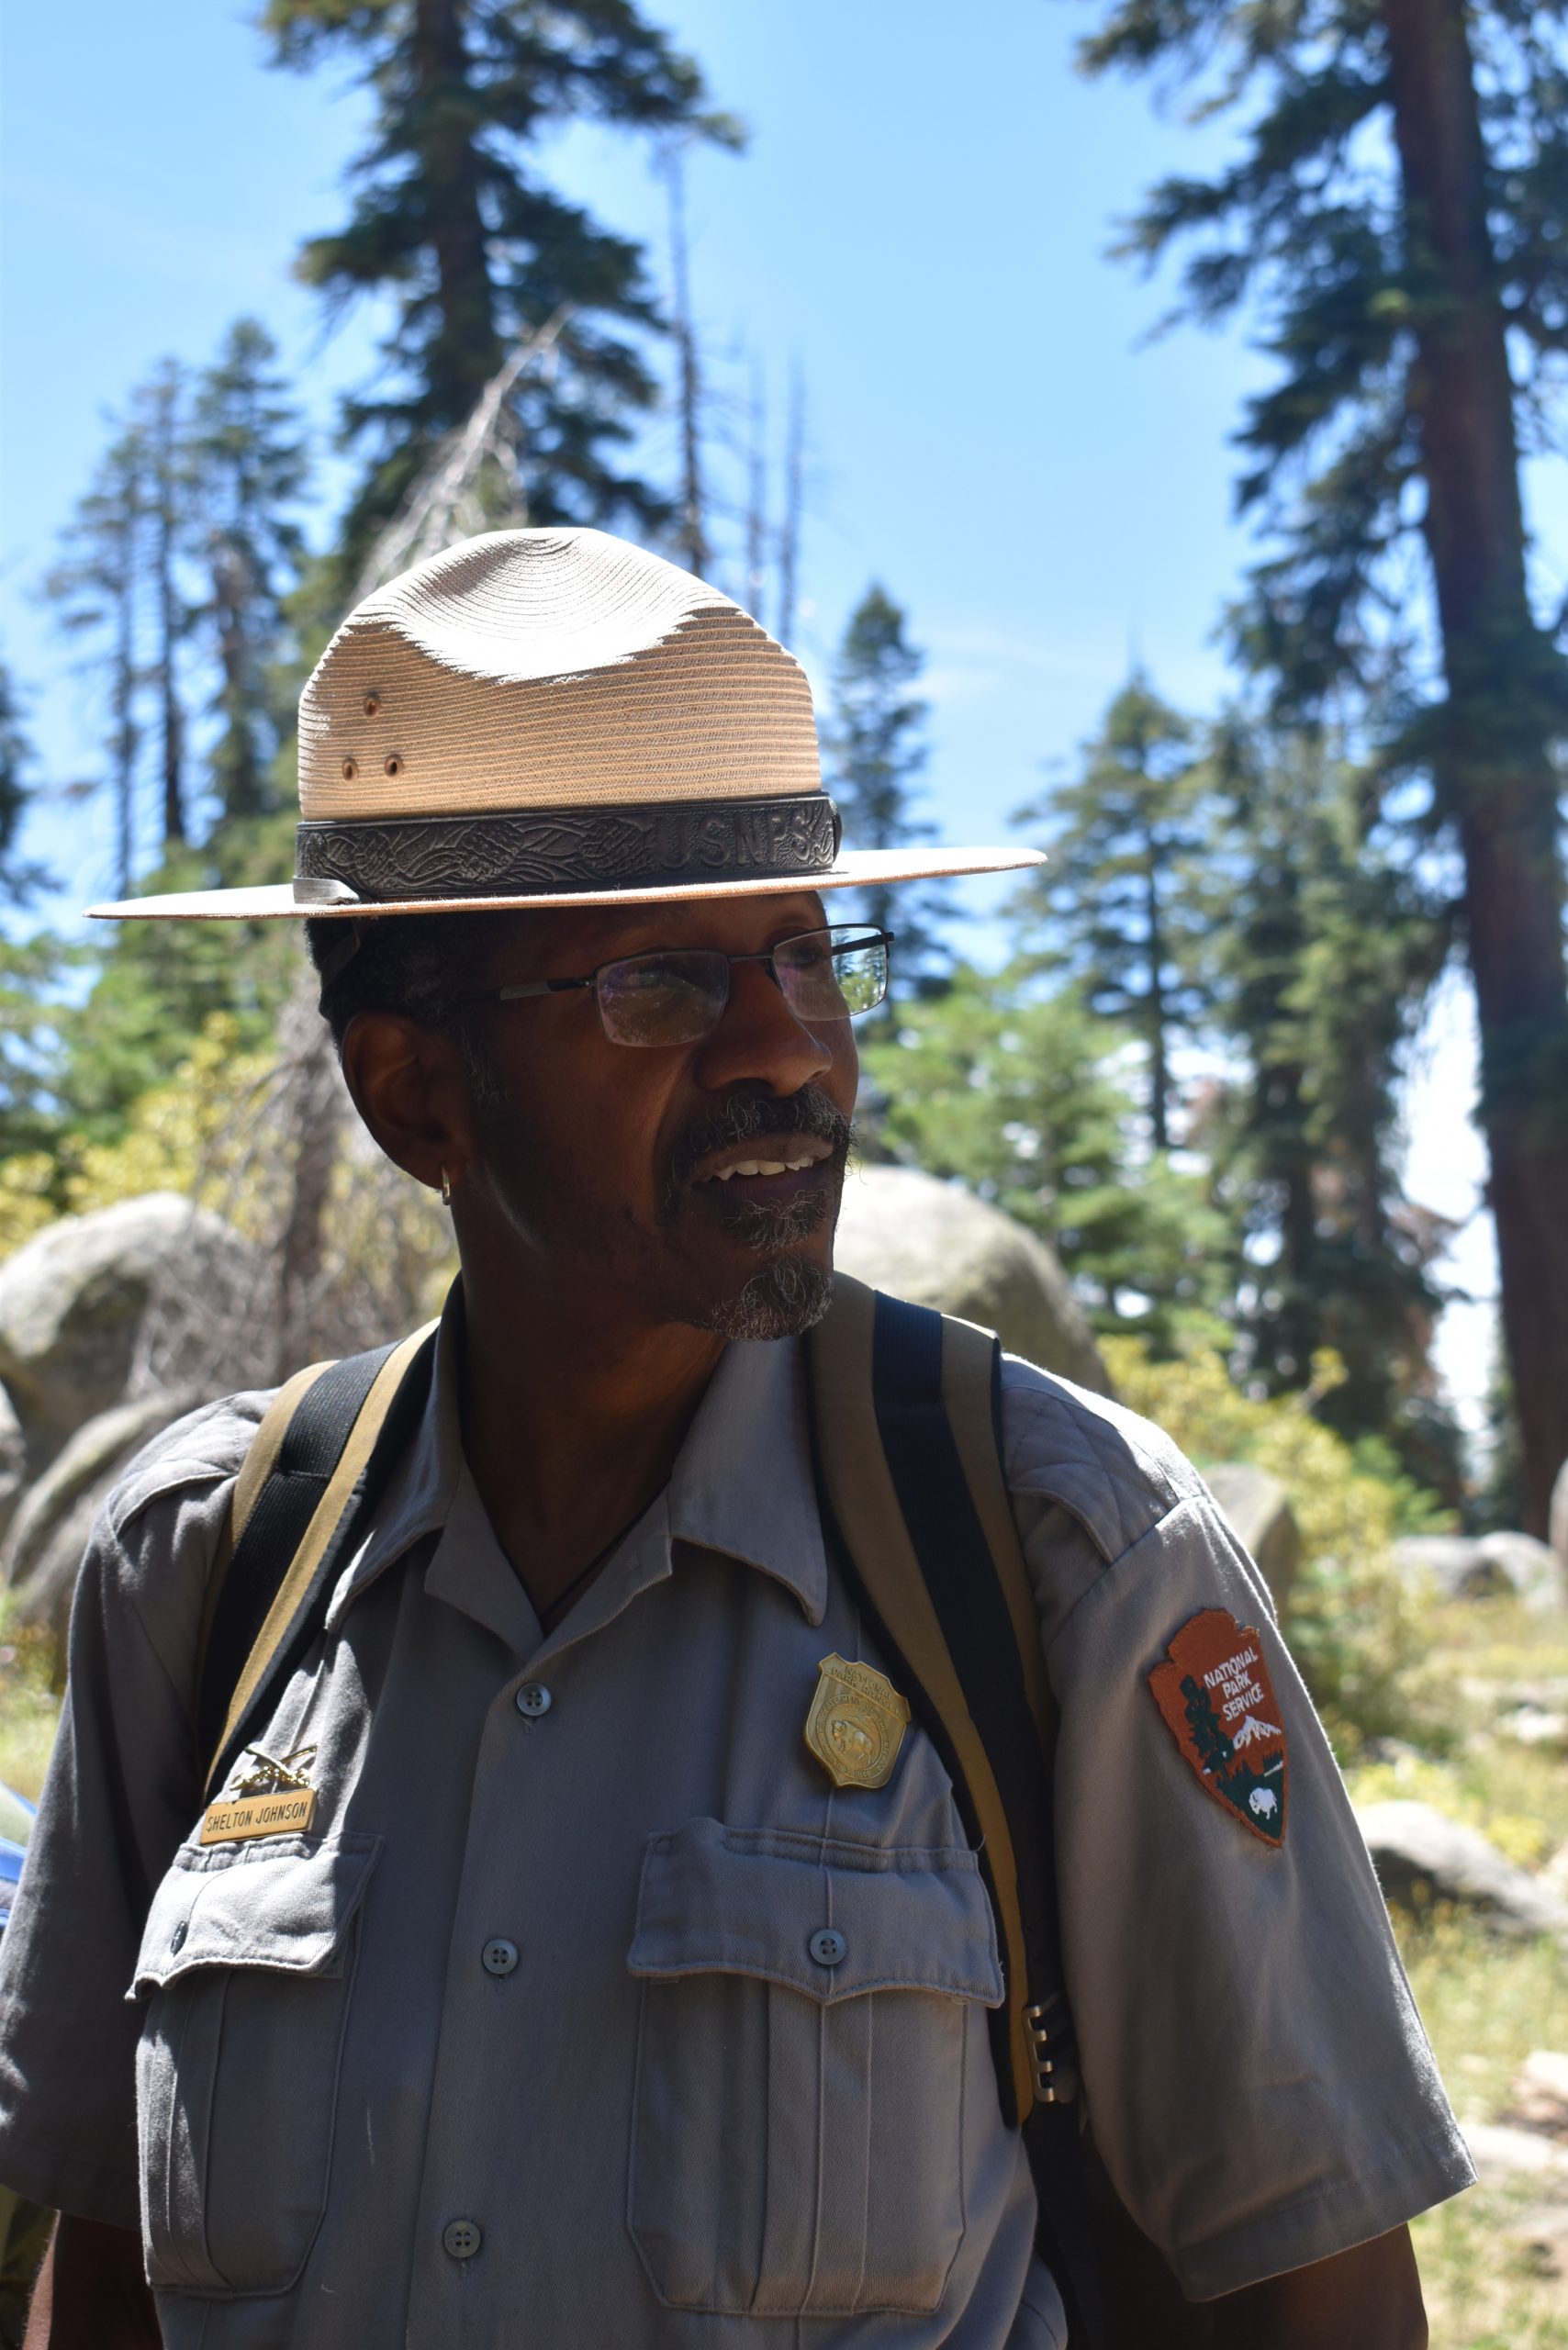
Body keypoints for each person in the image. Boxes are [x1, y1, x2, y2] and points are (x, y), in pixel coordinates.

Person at [0, 532, 1471, 2348]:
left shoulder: (1056, 1546)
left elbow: (1320, 2303)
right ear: (414, 1090)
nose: (793, 1049)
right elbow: (103, 2271)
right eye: (661, 984)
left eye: (806, 955)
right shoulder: (204, 1572)